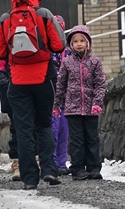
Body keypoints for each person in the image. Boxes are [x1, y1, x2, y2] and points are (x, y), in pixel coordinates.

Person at [0, 0, 65, 190]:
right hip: (44, 78)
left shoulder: (5, 19)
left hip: (17, 81)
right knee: (43, 125)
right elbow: (59, 44)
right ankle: (50, 170)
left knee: (24, 130)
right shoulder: (44, 15)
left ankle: (29, 178)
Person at [53, 25, 106, 180]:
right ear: (71, 44)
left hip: (91, 108)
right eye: (75, 41)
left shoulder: (95, 62)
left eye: (82, 40)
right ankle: (77, 168)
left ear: (88, 43)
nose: (79, 44)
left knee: (92, 138)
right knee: (76, 140)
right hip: (72, 108)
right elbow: (61, 85)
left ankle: (94, 168)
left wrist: (97, 102)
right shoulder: (67, 63)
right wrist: (56, 105)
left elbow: (100, 84)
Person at [0, 56, 21, 181]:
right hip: (11, 89)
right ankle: (17, 163)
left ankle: (31, 162)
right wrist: (6, 85)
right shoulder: (3, 45)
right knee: (16, 128)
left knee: (30, 128)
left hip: (26, 85)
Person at [51, 15, 71, 176]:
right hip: (51, 97)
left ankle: (61, 162)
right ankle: (52, 161)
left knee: (64, 130)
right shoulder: (46, 49)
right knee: (52, 129)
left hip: (66, 98)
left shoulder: (68, 51)